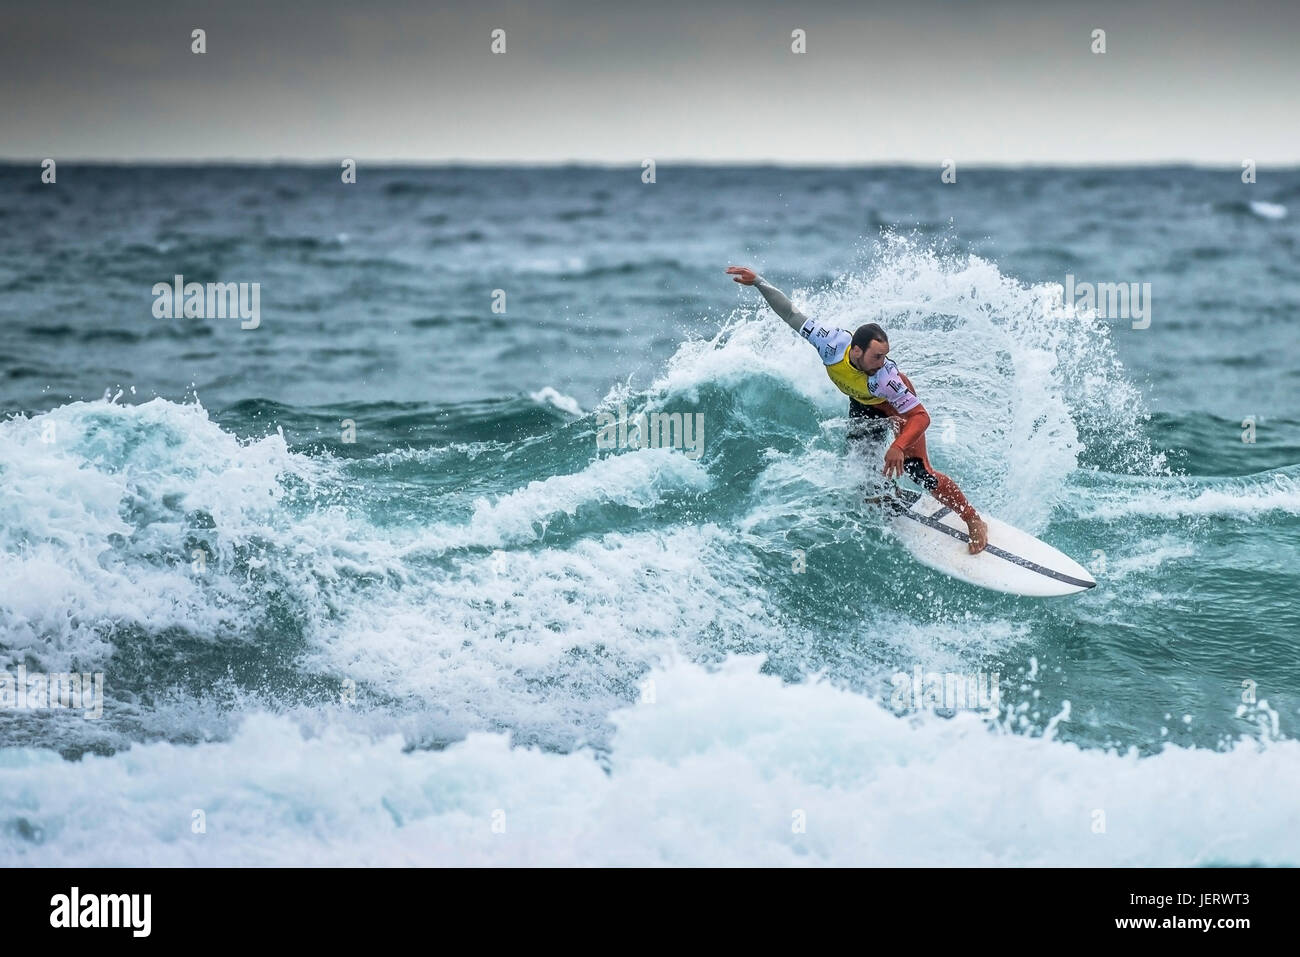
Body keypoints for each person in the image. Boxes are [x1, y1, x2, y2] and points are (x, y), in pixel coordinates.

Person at [726, 266, 989, 553]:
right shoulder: (829, 344)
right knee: (863, 478)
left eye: (885, 355)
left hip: (899, 411)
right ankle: (889, 494)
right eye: (877, 356)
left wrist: (899, 446)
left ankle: (973, 520)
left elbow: (920, 416)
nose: (882, 361)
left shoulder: (886, 378)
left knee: (918, 471)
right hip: (864, 406)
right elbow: (791, 314)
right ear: (855, 351)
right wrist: (760, 282)